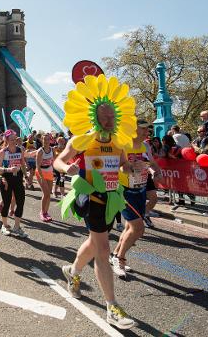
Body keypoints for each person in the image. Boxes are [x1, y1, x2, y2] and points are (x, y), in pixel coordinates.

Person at [55, 75, 137, 330]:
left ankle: (73, 272)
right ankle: (112, 306)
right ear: (94, 117)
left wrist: (134, 167)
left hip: (112, 198)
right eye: (104, 117)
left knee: (94, 242)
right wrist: (66, 168)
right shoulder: (83, 139)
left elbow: (124, 163)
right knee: (103, 249)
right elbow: (59, 160)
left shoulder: (117, 141)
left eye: (112, 117)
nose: (109, 120)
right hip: (90, 198)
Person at [111, 120, 163, 277]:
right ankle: (120, 260)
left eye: (148, 129)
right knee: (138, 229)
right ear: (133, 130)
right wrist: (131, 167)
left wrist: (157, 172)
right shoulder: (123, 145)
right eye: (143, 129)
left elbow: (153, 164)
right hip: (125, 191)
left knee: (129, 228)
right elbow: (120, 166)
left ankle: (114, 255)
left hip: (140, 191)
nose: (147, 132)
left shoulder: (146, 146)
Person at [0, 130, 28, 238]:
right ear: (6, 140)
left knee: (21, 202)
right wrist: (9, 169)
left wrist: (26, 176)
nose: (14, 141)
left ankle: (17, 226)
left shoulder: (20, 150)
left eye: (15, 139)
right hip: (6, 179)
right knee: (6, 203)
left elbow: (23, 164)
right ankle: (5, 225)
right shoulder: (3, 152)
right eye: (11, 140)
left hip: (18, 179)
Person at [36, 133, 55, 222]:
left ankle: (46, 212)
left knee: (49, 194)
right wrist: (42, 177)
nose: (46, 141)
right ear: (42, 141)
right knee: (46, 193)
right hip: (41, 172)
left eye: (48, 139)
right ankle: (42, 212)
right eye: (44, 140)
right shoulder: (40, 151)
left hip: (49, 171)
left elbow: (54, 161)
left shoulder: (52, 149)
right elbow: (38, 166)